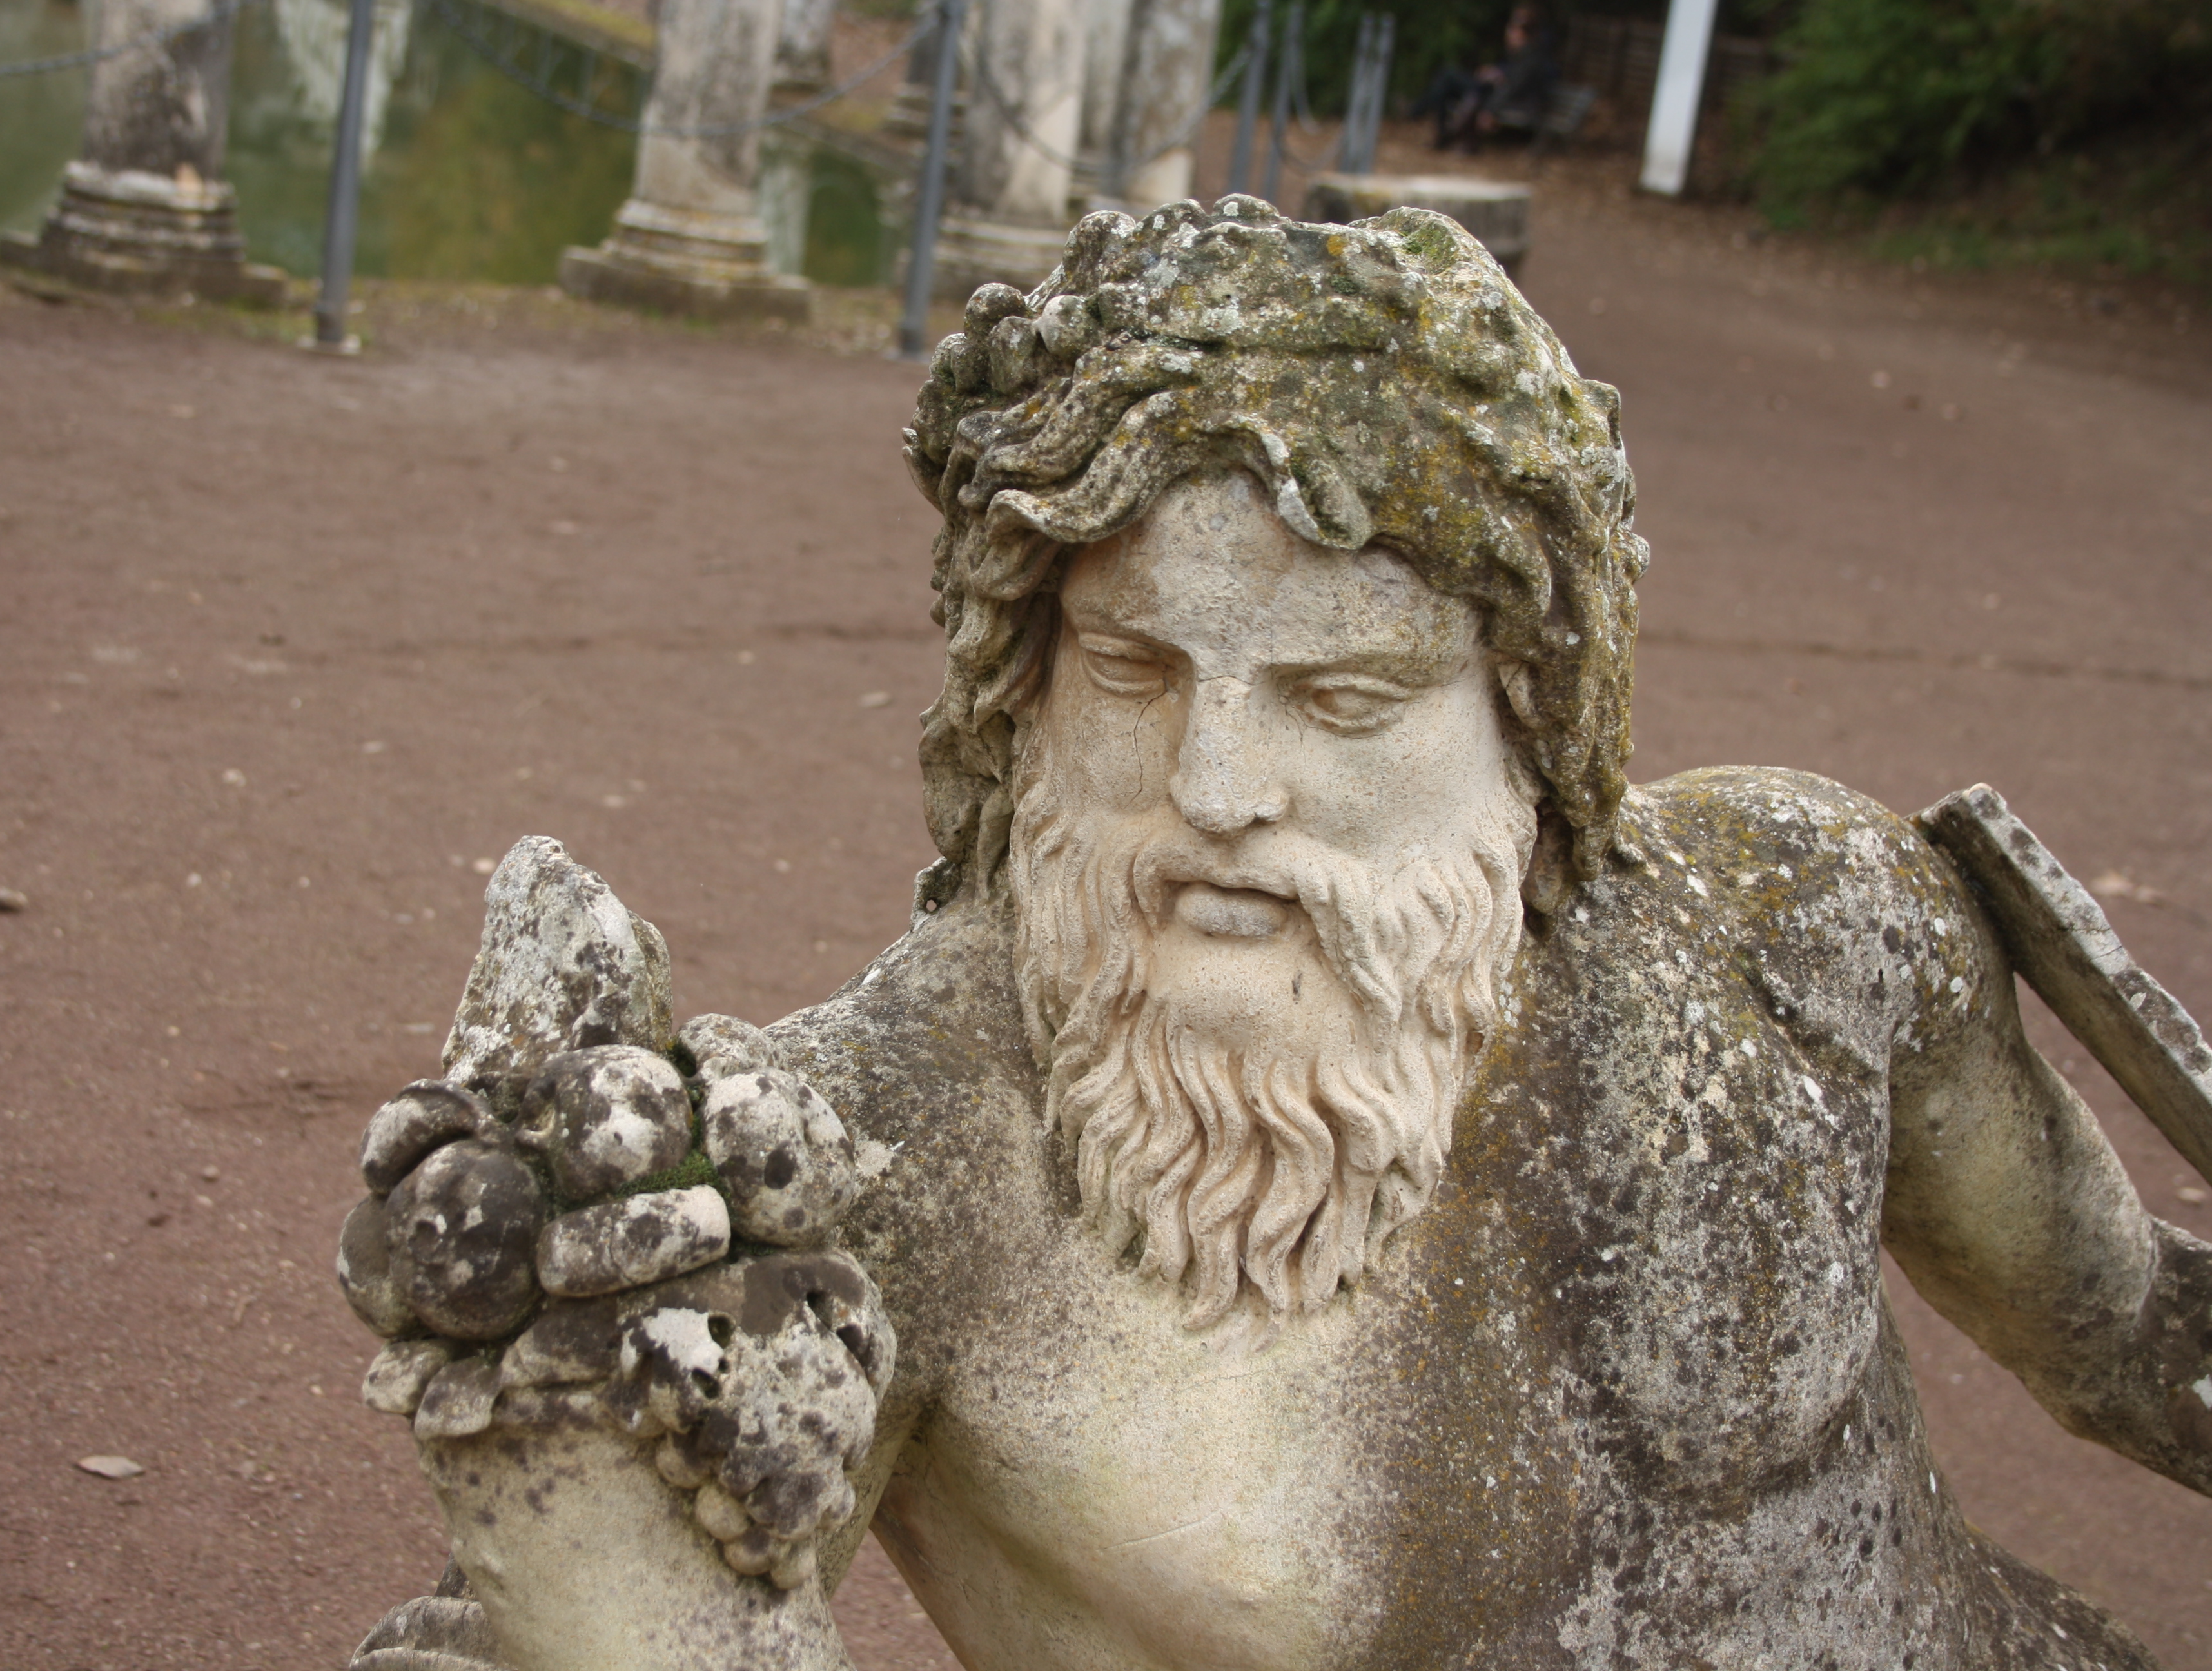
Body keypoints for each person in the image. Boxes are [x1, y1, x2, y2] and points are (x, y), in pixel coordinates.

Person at [342, 198, 2212, 1671]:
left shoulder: (1805, 930)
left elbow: (2134, 1334)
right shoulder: (874, 1170)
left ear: (1532, 715)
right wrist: (561, 1441)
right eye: (1134, 669)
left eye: (1342, 697)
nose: (1218, 786)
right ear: (1021, 691)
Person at [1413, 4, 1562, 151]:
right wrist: (1496, 72)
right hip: (1492, 91)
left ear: (1525, 33)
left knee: (1451, 77)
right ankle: (1440, 130)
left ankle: (1422, 115)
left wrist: (1490, 110)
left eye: (1514, 28)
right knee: (1447, 84)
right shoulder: (1524, 54)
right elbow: (1511, 76)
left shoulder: (1532, 58)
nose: (1509, 33)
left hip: (1507, 100)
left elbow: (1513, 86)